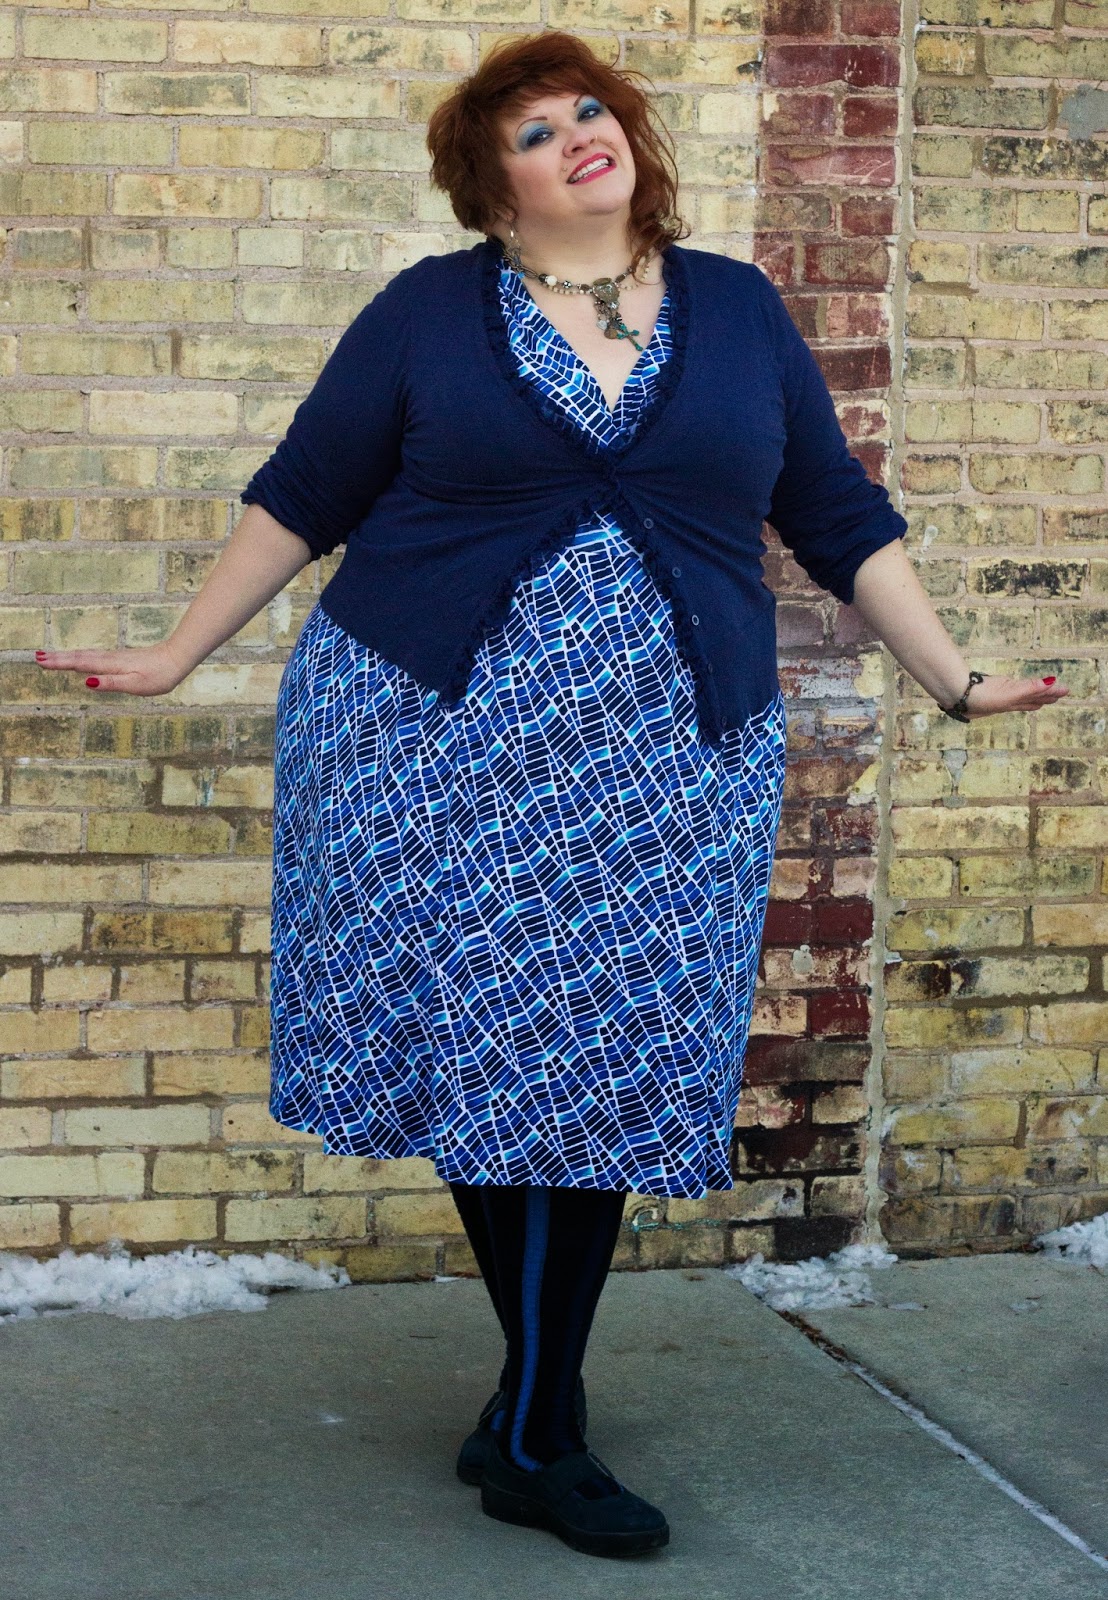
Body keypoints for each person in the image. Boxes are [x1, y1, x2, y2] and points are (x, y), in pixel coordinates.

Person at [36, 29, 1069, 1562]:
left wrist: (954, 678)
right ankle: (538, 1431)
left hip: (669, 761)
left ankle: (528, 1409)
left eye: (593, 110)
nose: (580, 134)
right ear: (492, 184)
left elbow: (836, 512)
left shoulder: (736, 308)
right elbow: (307, 492)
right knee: (490, 1049)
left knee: (600, 1057)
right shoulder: (426, 314)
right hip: (430, 739)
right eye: (534, 130)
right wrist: (180, 651)